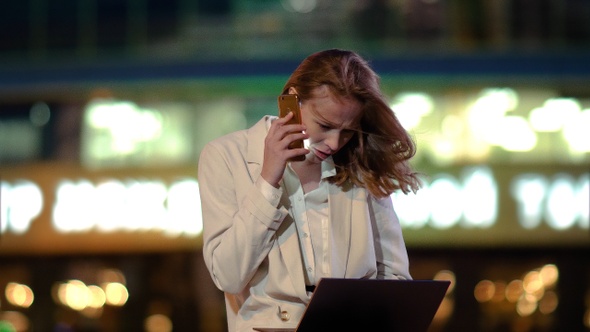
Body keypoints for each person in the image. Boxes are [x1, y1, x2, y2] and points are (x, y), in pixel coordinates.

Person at [198, 49, 422, 332]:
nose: (334, 142)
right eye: (325, 125)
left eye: (348, 131)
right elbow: (228, 276)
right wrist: (268, 180)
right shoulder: (226, 156)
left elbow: (394, 277)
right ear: (292, 100)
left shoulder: (359, 163)